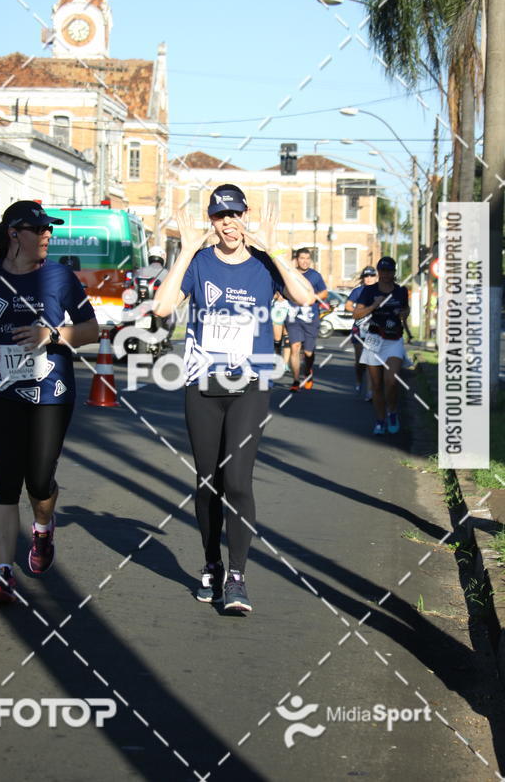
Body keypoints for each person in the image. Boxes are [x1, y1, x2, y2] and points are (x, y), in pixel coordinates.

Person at [154, 184, 315, 614]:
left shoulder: (263, 264)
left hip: (251, 383)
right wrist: (185, 252)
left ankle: (238, 575)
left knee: (238, 480)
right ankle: (212, 564)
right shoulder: (201, 262)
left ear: (246, 216)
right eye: (220, 216)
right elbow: (162, 307)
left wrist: (275, 250)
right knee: (209, 481)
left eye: (235, 214)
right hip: (202, 383)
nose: (228, 223)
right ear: (211, 221)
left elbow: (304, 297)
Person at [0, 201, 98, 603]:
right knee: (4, 483)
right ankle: (3, 572)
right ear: (13, 233)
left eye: (50, 229)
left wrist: (53, 335)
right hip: (0, 390)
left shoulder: (60, 276)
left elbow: (92, 330)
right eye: (38, 228)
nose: (48, 234)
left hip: (50, 392)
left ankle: (43, 530)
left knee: (39, 480)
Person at [352, 256, 410, 435]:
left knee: (391, 381)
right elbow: (357, 314)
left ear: (394, 272)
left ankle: (392, 412)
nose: (385, 274)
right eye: (382, 271)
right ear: (379, 272)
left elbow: (406, 309)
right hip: (374, 337)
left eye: (389, 271)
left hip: (394, 339)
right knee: (376, 385)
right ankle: (380, 420)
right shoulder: (368, 291)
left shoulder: (401, 291)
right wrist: (374, 306)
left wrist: (404, 313)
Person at [284, 247, 328, 391]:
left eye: (308, 258)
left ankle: (308, 371)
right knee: (295, 347)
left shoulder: (315, 275)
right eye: (302, 258)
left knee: (308, 352)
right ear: (297, 259)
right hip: (293, 317)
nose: (305, 261)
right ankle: (296, 381)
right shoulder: (290, 274)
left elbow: (324, 293)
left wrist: (313, 298)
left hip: (311, 317)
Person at [345, 265, 378, 401]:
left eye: (371, 276)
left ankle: (370, 391)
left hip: (374, 329)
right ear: (363, 278)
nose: (369, 278)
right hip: (359, 328)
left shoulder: (380, 291)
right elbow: (347, 305)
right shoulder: (358, 291)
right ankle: (359, 381)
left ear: (376, 277)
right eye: (366, 276)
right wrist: (358, 312)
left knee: (370, 359)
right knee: (360, 362)